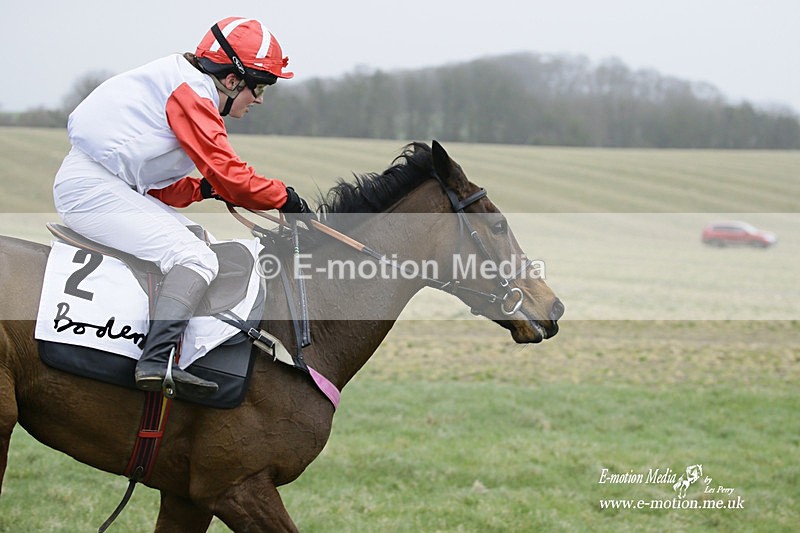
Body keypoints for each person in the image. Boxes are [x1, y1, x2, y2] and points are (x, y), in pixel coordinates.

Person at [52, 17, 314, 400]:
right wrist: (286, 199)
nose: (259, 99)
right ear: (231, 79)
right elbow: (232, 176)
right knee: (195, 259)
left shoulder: (184, 85)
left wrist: (203, 189)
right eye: (258, 87)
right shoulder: (191, 93)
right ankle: (155, 362)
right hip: (92, 189)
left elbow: (158, 188)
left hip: (105, 185)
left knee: (200, 241)